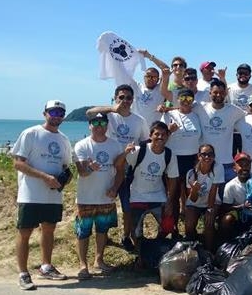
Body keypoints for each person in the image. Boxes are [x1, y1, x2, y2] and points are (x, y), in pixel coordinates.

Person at [12, 100, 73, 290]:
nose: (57, 116)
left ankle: (46, 266)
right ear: (44, 113)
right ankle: (23, 273)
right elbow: (18, 163)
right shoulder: (31, 133)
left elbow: (66, 167)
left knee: (49, 230)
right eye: (53, 112)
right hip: (30, 194)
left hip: (53, 196)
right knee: (25, 232)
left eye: (61, 112)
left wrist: (63, 179)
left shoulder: (63, 139)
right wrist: (45, 177)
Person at [87, 85, 149, 251]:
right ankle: (103, 236)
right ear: (115, 98)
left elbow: (145, 142)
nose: (125, 101)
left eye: (128, 98)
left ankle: (126, 236)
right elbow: (90, 113)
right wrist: (112, 109)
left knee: (128, 205)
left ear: (133, 100)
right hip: (107, 167)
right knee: (104, 204)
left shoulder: (139, 120)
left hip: (129, 169)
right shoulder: (109, 117)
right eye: (121, 97)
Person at [72, 112, 126, 280]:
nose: (99, 126)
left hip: (106, 196)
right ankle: (83, 265)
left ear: (107, 125)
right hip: (85, 197)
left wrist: (115, 188)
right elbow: (81, 172)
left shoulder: (116, 145)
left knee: (102, 230)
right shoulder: (81, 145)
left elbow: (120, 171)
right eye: (95, 122)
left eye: (103, 122)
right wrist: (90, 168)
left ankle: (99, 260)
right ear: (90, 125)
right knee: (83, 232)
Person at [124, 121, 179, 252]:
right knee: (136, 229)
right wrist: (125, 153)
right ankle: (140, 253)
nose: (160, 137)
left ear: (167, 136)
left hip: (158, 195)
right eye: (157, 134)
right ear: (150, 135)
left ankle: (156, 246)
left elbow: (173, 179)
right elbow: (121, 166)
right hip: (137, 196)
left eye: (164, 134)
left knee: (168, 226)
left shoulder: (169, 155)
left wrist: (170, 202)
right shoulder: (138, 151)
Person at [162, 88, 202, 229]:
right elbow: (159, 138)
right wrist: (169, 131)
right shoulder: (169, 115)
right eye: (183, 98)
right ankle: (172, 229)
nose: (186, 102)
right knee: (173, 196)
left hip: (191, 159)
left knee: (190, 195)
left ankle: (190, 229)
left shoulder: (197, 116)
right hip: (174, 159)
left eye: (189, 99)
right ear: (177, 100)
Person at [195, 80, 245, 183]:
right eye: (215, 92)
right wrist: (167, 109)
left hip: (226, 163)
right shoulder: (200, 108)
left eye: (222, 92)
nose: (219, 95)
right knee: (205, 195)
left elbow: (251, 117)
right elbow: (183, 109)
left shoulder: (234, 110)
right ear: (210, 93)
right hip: (205, 162)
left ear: (226, 93)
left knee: (225, 197)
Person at [184, 143, 224, 251]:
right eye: (204, 154)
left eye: (210, 154)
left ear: (214, 156)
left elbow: (213, 191)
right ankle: (191, 247)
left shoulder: (218, 168)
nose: (207, 157)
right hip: (195, 203)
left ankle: (210, 251)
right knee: (189, 223)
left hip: (212, 202)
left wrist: (210, 210)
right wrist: (194, 190)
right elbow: (192, 199)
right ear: (198, 156)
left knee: (209, 223)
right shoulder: (191, 173)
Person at [122, 49, 171, 125]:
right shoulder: (136, 87)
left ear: (158, 79)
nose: (151, 79)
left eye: (154, 77)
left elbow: (166, 69)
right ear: (144, 77)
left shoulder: (160, 89)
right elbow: (123, 71)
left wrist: (149, 56)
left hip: (152, 132)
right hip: (135, 128)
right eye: (148, 76)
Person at [219, 152, 252, 241]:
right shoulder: (230, 185)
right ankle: (227, 243)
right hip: (240, 214)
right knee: (227, 220)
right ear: (234, 168)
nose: (244, 168)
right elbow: (226, 207)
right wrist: (242, 206)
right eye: (241, 165)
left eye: (247, 165)